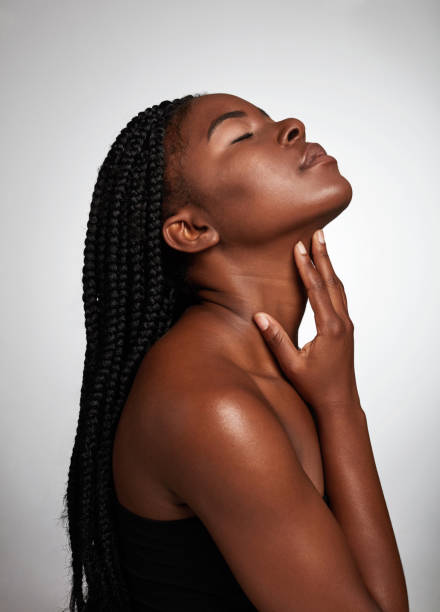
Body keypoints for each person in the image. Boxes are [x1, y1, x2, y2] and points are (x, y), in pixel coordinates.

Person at [61, 92, 409, 611]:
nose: (292, 125)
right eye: (241, 135)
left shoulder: (258, 375)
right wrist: (340, 407)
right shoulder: (212, 405)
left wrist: (337, 399)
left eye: (271, 120)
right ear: (193, 229)